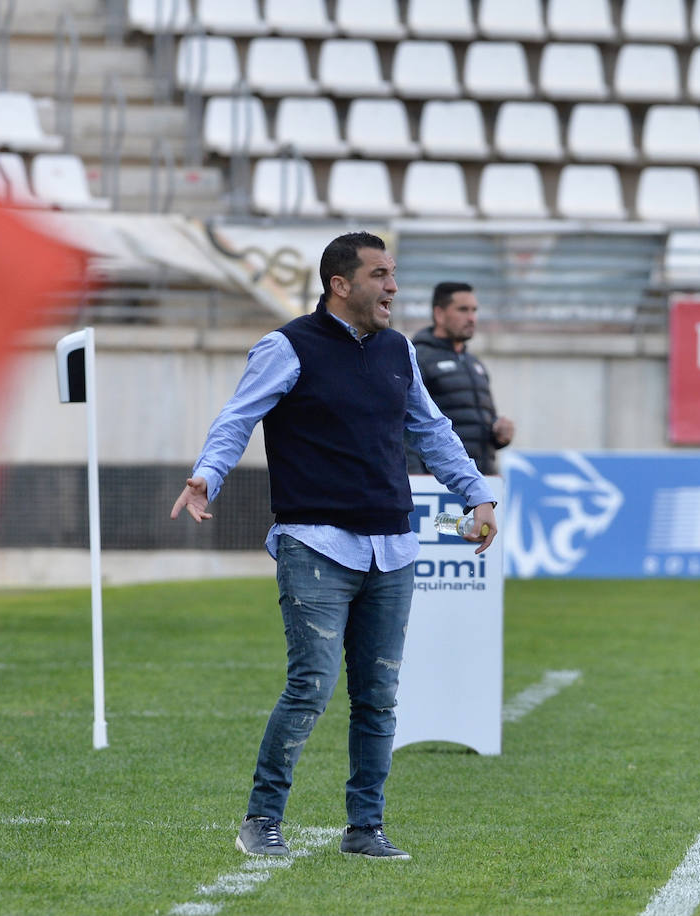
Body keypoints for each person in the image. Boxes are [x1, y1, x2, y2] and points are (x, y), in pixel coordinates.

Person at [171, 232, 499, 862]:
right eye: (380, 275)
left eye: (394, 274)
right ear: (340, 285)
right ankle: (261, 818)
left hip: (393, 549)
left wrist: (476, 495)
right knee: (312, 686)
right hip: (314, 545)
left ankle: (365, 828)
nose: (393, 288)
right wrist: (207, 473)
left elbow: (432, 430)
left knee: (378, 696)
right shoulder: (285, 346)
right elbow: (237, 417)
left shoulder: (400, 350)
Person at [406, 282, 514, 476]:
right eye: (463, 310)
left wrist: (499, 434)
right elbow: (407, 426)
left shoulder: (475, 364)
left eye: (474, 310)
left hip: (480, 484)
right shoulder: (418, 359)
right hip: (442, 484)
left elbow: (473, 423)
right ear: (439, 314)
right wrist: (418, 480)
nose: (472, 318)